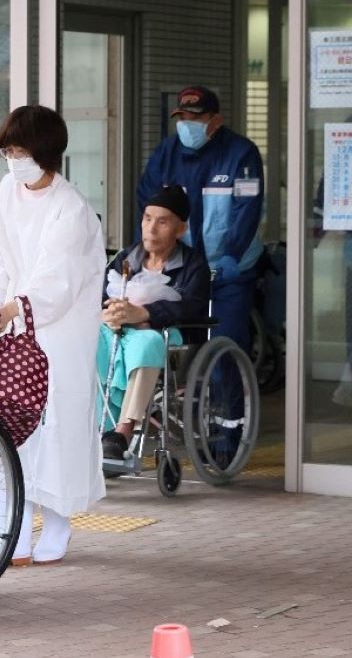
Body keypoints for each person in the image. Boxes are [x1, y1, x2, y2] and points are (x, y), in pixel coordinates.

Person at [0, 105, 106, 567]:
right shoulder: (7, 193)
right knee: (13, 426)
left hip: (62, 335)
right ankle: (11, 533)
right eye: (8, 151)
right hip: (16, 329)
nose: (13, 160)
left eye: (20, 150)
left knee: (58, 426)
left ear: (45, 152)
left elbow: (59, 278)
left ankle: (58, 523)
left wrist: (13, 307)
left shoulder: (71, 208)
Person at [136, 86, 264, 463]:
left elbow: (247, 212)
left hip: (228, 273)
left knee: (223, 350)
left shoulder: (240, 154)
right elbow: (148, 208)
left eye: (196, 118)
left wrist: (230, 258)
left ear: (215, 120)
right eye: (183, 118)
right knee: (163, 346)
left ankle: (227, 437)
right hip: (180, 272)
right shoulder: (166, 154)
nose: (188, 124)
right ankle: (162, 426)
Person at [97, 185, 212, 460]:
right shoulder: (127, 258)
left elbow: (191, 307)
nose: (151, 228)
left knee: (148, 342)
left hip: (163, 332)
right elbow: (101, 294)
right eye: (147, 218)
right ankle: (99, 426)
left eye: (162, 221)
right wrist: (108, 313)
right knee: (87, 342)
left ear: (180, 229)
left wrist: (146, 313)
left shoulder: (193, 265)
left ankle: (122, 431)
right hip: (116, 330)